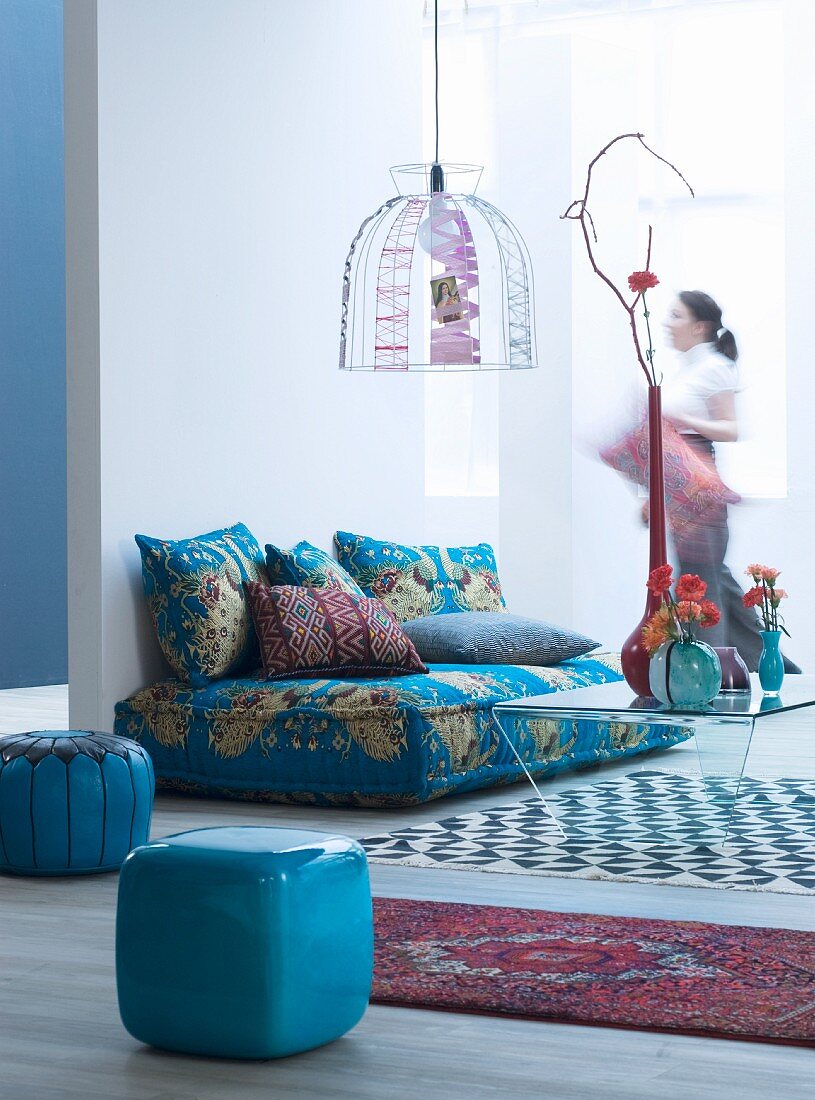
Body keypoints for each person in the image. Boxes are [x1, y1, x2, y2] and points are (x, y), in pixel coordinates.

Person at [661, 290, 799, 672]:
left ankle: (707, 673)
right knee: (715, 581)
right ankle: (779, 671)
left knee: (697, 584)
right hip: (680, 484)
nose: (667, 324)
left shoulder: (715, 367)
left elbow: (730, 429)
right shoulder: (689, 369)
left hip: (699, 484)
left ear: (699, 325)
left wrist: (681, 422)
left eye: (675, 315)